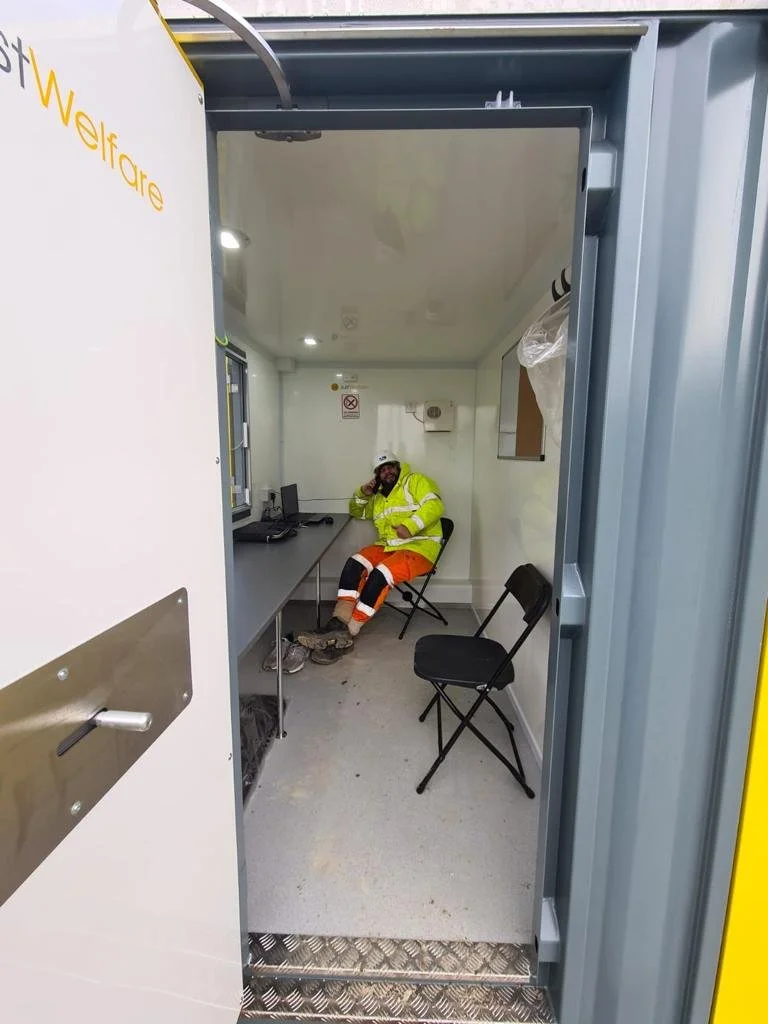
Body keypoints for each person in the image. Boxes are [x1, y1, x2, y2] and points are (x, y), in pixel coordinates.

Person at [297, 451, 445, 663]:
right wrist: (364, 492)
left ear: (398, 467)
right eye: (382, 470)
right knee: (354, 564)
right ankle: (337, 623)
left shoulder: (415, 481)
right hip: (389, 547)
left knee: (380, 575)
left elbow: (436, 505)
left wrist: (410, 526)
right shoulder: (378, 497)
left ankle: (348, 633)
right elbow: (357, 511)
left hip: (419, 548)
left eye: (391, 467)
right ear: (377, 476)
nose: (388, 472)